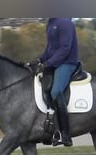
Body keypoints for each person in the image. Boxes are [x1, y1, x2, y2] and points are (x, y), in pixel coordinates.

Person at [29, 18, 79, 147]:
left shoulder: (64, 22)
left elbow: (65, 48)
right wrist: (39, 60)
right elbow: (49, 50)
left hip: (67, 63)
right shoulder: (51, 23)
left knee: (56, 91)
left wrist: (47, 64)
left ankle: (65, 134)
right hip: (55, 63)